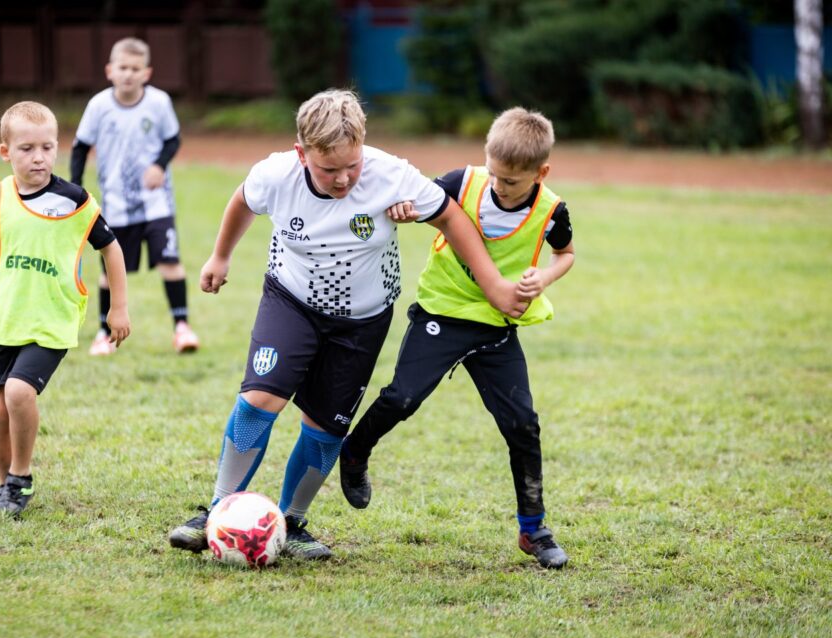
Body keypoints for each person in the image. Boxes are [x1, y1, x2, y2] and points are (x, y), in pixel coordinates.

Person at [167, 89, 526, 560]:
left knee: (326, 427)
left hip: (363, 320)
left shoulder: (391, 175)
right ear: (302, 154)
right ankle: (218, 511)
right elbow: (242, 201)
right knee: (260, 398)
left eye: (352, 166)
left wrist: (494, 284)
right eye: (328, 169)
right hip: (291, 300)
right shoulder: (275, 174)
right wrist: (220, 256)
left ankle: (292, 523)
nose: (343, 179)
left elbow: (450, 217)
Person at [339, 107, 576, 569]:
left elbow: (565, 253)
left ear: (541, 173)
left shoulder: (553, 211)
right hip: (442, 312)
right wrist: (404, 210)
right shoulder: (460, 182)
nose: (498, 185)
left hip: (495, 326)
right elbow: (417, 204)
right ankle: (354, 451)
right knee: (402, 398)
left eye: (510, 181)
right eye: (493, 172)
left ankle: (534, 529)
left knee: (523, 424)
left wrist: (544, 278)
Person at [0, 101, 131, 517]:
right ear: (5, 151)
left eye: (47, 147)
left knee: (18, 391)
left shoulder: (74, 200)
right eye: (27, 148)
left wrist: (117, 308)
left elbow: (111, 249)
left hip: (52, 320)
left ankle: (21, 476)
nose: (39, 157)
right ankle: (6, 488)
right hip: (5, 319)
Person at [70, 36, 199, 356]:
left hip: (157, 203)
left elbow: (173, 140)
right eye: (123, 67)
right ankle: (103, 334)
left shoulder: (159, 102)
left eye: (135, 68)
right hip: (116, 206)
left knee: (170, 262)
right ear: (110, 70)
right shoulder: (99, 106)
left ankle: (182, 328)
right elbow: (80, 147)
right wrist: (75, 188)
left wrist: (159, 166)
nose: (128, 74)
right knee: (110, 271)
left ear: (147, 73)